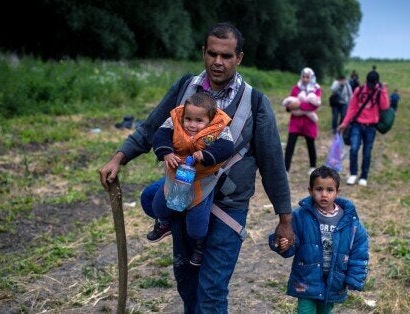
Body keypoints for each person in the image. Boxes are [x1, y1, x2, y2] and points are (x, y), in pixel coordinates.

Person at [98, 22, 295, 312]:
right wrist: (119, 157)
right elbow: (152, 128)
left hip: (229, 207)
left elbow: (273, 164)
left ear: (238, 58)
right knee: (187, 284)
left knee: (212, 292)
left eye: (226, 56)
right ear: (204, 52)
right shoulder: (184, 88)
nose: (218, 61)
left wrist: (285, 219)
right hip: (186, 200)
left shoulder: (255, 103)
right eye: (212, 53)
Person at [148, 92, 234, 267]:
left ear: (210, 119)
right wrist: (167, 152)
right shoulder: (175, 119)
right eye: (188, 119)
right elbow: (160, 136)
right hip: (177, 173)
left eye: (199, 121)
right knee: (158, 204)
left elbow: (226, 147)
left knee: (197, 221)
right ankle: (164, 223)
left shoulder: (220, 127)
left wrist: (205, 154)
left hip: (202, 179)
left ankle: (199, 244)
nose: (192, 125)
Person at [268, 166, 369, 313]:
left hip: (333, 280)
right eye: (319, 189)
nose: (324, 194)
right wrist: (283, 243)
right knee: (305, 310)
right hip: (307, 279)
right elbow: (291, 240)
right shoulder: (301, 216)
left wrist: (354, 278)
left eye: (329, 190)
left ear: (337, 192)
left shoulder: (349, 221)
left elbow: (359, 251)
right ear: (310, 191)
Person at [337, 70, 389, 187]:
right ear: (366, 81)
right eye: (369, 84)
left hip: (371, 127)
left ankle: (364, 176)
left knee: (367, 152)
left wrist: (384, 90)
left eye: (373, 84)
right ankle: (353, 174)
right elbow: (352, 109)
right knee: (354, 148)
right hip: (357, 125)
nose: (371, 87)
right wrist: (344, 123)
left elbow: (385, 106)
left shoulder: (379, 91)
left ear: (376, 83)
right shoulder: (359, 91)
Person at [283, 67, 322, 175]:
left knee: (310, 143)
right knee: (290, 145)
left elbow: (314, 106)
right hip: (295, 121)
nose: (305, 79)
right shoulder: (296, 88)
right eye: (303, 76)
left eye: (307, 77)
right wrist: (290, 107)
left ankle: (313, 166)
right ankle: (286, 169)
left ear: (311, 77)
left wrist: (299, 105)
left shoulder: (316, 89)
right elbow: (288, 105)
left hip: (309, 122)